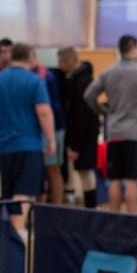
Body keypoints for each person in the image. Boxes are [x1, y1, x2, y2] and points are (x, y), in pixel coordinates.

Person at [0, 42, 56, 232]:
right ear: (30, 57)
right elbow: (44, 112)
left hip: (5, 146)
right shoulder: (35, 81)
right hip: (29, 144)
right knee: (24, 191)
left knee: (8, 193)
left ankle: (10, 231)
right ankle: (18, 232)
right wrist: (50, 139)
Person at [84, 34, 137, 213]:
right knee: (132, 179)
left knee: (115, 179)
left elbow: (89, 95)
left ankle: (115, 218)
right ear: (133, 48)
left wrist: (104, 112)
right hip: (134, 132)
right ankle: (132, 218)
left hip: (114, 132)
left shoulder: (108, 73)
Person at [57, 46, 100, 208]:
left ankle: (91, 206)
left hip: (84, 135)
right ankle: (89, 206)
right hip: (84, 133)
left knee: (86, 171)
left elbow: (80, 115)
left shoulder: (81, 82)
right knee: (84, 171)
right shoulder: (76, 79)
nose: (59, 66)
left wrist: (75, 145)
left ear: (69, 61)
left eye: (61, 62)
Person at [32, 48, 66, 204]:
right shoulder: (33, 76)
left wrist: (51, 135)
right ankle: (42, 205)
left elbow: (46, 108)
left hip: (52, 127)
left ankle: (56, 206)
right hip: (39, 128)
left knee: (52, 168)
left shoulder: (44, 76)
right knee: (42, 170)